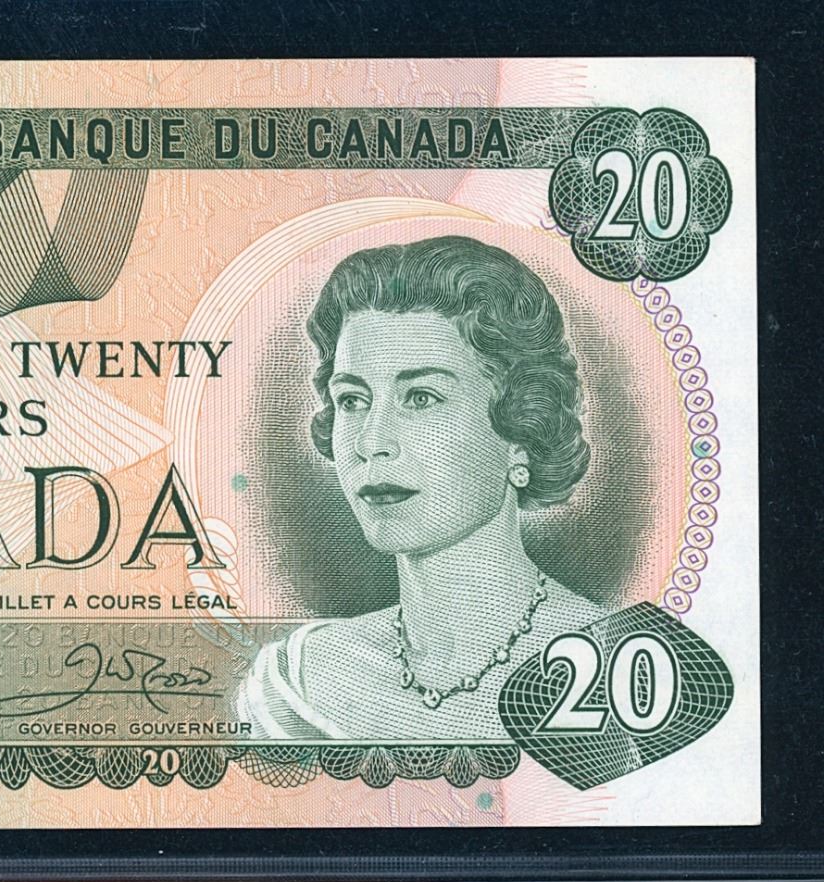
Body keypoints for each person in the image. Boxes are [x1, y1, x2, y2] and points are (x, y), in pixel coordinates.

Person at [235, 235, 607, 740]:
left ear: (521, 432)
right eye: (352, 400)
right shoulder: (301, 678)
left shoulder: (613, 664)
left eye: (421, 397)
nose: (371, 443)